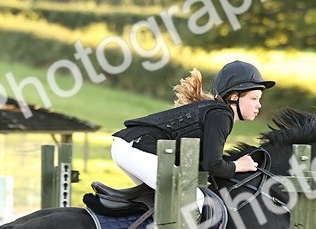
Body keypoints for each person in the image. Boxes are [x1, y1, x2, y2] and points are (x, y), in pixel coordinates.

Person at [110, 60, 276, 209]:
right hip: (134, 149)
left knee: (162, 202)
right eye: (254, 98)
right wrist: (238, 165)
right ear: (234, 97)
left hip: (128, 146)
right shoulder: (221, 115)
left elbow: (203, 165)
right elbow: (213, 165)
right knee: (194, 199)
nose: (259, 105)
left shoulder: (216, 112)